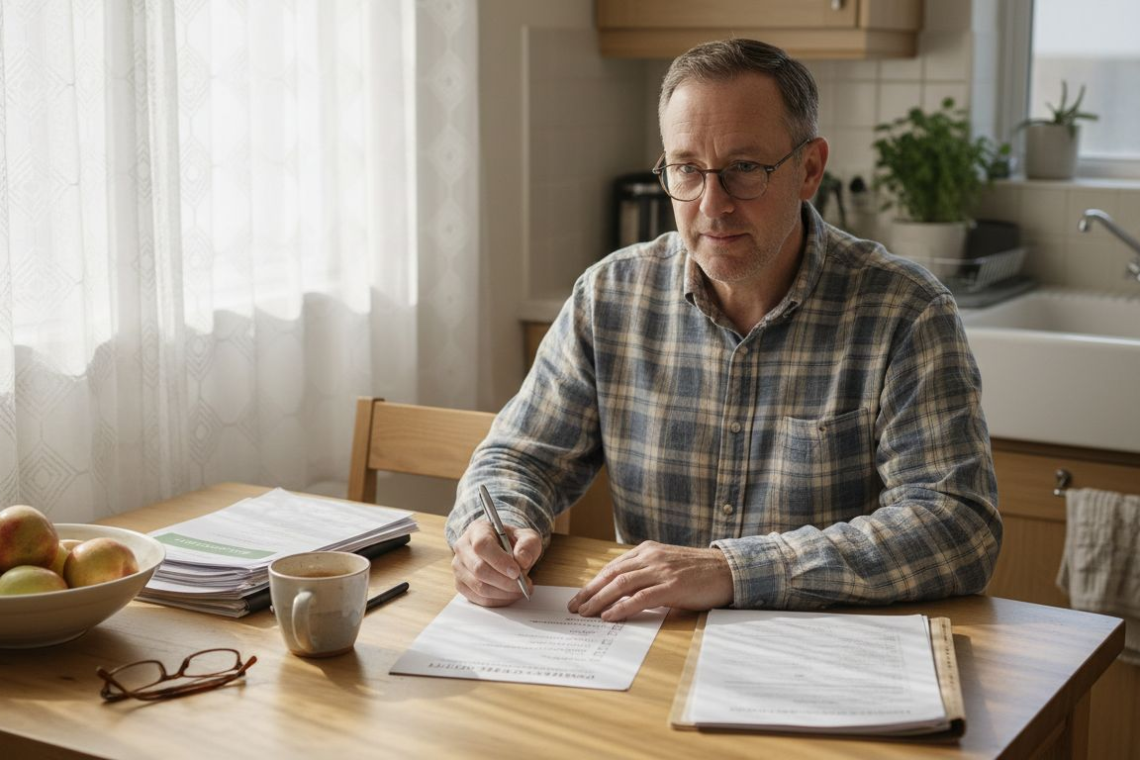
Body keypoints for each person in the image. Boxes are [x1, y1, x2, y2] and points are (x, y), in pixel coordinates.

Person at [446, 38, 1001, 622]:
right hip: (646, 654)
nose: (712, 205)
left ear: (809, 169)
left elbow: (957, 526)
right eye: (686, 169)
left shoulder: (905, 312)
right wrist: (496, 522)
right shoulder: (610, 296)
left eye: (743, 169)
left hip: (820, 666)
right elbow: (518, 459)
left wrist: (732, 570)